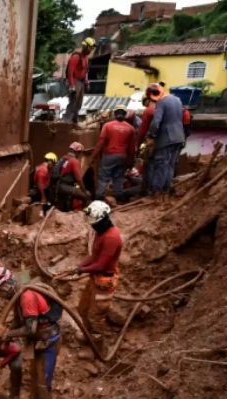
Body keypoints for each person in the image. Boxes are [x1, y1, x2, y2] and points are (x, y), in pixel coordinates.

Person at [0, 269, 63, 399]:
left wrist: (8, 334)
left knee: (43, 384)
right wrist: (5, 332)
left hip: (49, 343)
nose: (0, 296)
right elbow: (19, 320)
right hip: (38, 342)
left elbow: (30, 328)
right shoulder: (19, 292)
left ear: (5, 285)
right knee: (34, 376)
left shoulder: (26, 296)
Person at [75, 201, 123, 352]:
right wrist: (80, 266)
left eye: (94, 224)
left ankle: (98, 347)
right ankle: (89, 336)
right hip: (95, 278)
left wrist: (82, 270)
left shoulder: (111, 238)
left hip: (104, 282)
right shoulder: (100, 232)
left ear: (103, 220)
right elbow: (94, 255)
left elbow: (101, 265)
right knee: (82, 309)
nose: (92, 227)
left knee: (95, 317)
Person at [146, 83, 186, 196]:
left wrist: (151, 135)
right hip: (179, 137)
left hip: (166, 139)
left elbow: (156, 122)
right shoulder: (177, 100)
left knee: (161, 164)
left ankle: (156, 191)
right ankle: (165, 189)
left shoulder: (161, 102)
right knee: (170, 165)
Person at [92, 105, 136, 201]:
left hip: (109, 155)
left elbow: (101, 142)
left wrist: (93, 156)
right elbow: (132, 149)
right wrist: (131, 162)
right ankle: (119, 198)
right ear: (125, 114)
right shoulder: (130, 128)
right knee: (118, 178)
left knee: (104, 178)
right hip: (122, 157)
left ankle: (99, 198)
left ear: (115, 114)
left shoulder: (107, 126)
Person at [63, 38, 96, 124]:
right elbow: (70, 72)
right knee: (73, 102)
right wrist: (72, 86)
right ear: (85, 46)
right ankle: (66, 121)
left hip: (81, 82)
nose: (91, 50)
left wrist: (86, 82)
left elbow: (85, 72)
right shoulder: (76, 57)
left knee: (79, 103)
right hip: (74, 80)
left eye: (92, 48)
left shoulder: (86, 58)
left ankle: (74, 121)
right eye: (90, 48)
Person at [50, 142, 90, 211]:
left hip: (57, 187)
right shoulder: (74, 161)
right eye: (80, 153)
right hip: (65, 186)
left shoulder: (64, 158)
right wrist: (84, 190)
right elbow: (79, 179)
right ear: (78, 152)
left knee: (62, 206)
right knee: (86, 197)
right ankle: (84, 217)